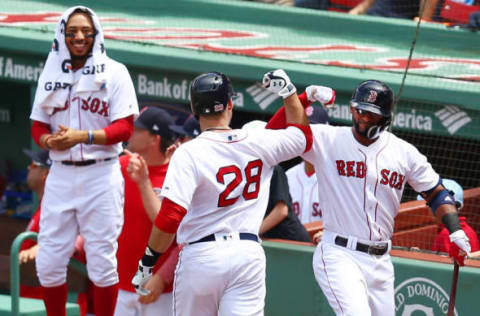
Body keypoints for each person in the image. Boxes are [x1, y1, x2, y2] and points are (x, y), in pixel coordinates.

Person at [266, 79, 471, 315]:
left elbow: (436, 192)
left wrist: (455, 230)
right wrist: (301, 96)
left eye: (371, 113)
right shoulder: (328, 138)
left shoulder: (403, 152)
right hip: (339, 253)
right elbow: (273, 135)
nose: (363, 117)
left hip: (381, 261)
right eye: (360, 110)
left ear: (385, 117)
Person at [131, 69, 312, 315]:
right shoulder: (258, 139)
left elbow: (171, 215)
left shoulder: (189, 151)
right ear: (229, 105)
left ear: (194, 109)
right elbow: (302, 137)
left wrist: (148, 261)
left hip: (202, 254)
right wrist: (290, 94)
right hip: (246, 254)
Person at [29, 6, 139, 316]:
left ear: (95, 34)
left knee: (102, 261)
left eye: (85, 31)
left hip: (101, 172)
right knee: (48, 262)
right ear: (62, 35)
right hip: (61, 173)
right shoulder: (51, 70)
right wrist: (48, 140)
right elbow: (38, 124)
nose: (79, 37)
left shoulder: (115, 71)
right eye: (72, 31)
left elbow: (125, 128)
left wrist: (84, 136)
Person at [115, 107, 180, 316]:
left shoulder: (177, 175)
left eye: (137, 129)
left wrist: (162, 277)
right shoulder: (120, 166)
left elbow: (177, 233)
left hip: (159, 290)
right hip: (118, 285)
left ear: (154, 139)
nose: (130, 131)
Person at [19, 149, 93, 316]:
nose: (28, 168)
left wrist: (46, 246)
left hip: (60, 303)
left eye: (33, 165)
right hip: (32, 300)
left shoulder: (67, 206)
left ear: (45, 173)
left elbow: (84, 233)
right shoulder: (44, 205)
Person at [286, 105, 328, 225]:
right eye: (303, 131)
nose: (308, 137)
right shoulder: (288, 177)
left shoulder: (335, 178)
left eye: (312, 131)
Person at [421, 179, 480, 254]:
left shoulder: (447, 234)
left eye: (429, 204)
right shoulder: (468, 229)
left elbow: (445, 265)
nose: (428, 208)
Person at [349, 0, 440, 22]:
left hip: (400, 24)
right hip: (374, 16)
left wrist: (423, 18)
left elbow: (423, 20)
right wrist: (360, 9)